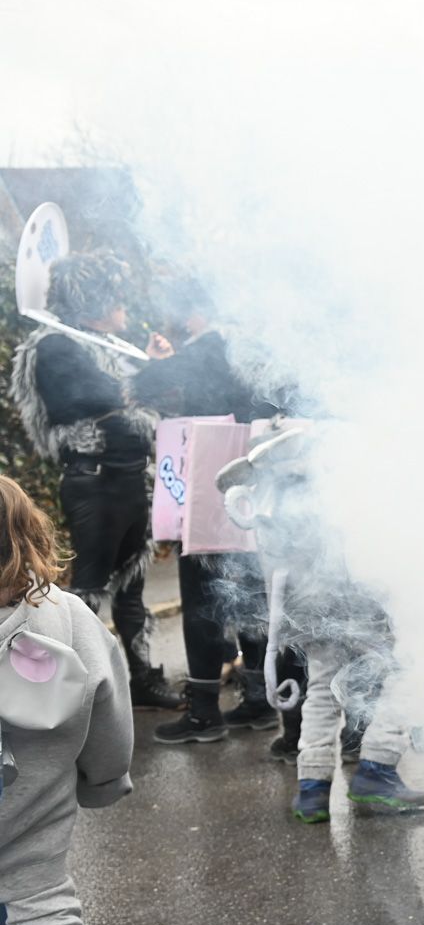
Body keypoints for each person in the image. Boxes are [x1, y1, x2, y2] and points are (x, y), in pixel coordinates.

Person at [216, 426, 424, 823]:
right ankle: (377, 770)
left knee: (320, 685)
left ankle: (312, 789)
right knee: (402, 672)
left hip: (307, 599)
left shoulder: (274, 492)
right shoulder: (344, 472)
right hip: (358, 594)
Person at [0, 474, 135, 925]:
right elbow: (110, 705)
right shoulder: (65, 615)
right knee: (42, 901)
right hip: (32, 804)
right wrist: (104, 780)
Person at [8, 251, 180, 709]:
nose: (123, 305)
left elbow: (130, 403)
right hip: (95, 483)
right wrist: (150, 374)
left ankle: (140, 680)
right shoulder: (55, 346)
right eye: (115, 296)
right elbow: (101, 399)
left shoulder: (103, 348)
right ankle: (76, 691)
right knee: (87, 589)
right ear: (93, 301)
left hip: (127, 480)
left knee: (131, 590)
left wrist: (149, 369)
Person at [132, 279, 283, 743]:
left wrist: (158, 363)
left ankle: (203, 714)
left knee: (200, 595)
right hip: (254, 490)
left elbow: (145, 384)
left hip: (209, 488)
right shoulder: (260, 345)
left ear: (196, 312)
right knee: (251, 593)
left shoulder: (213, 345)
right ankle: (260, 700)